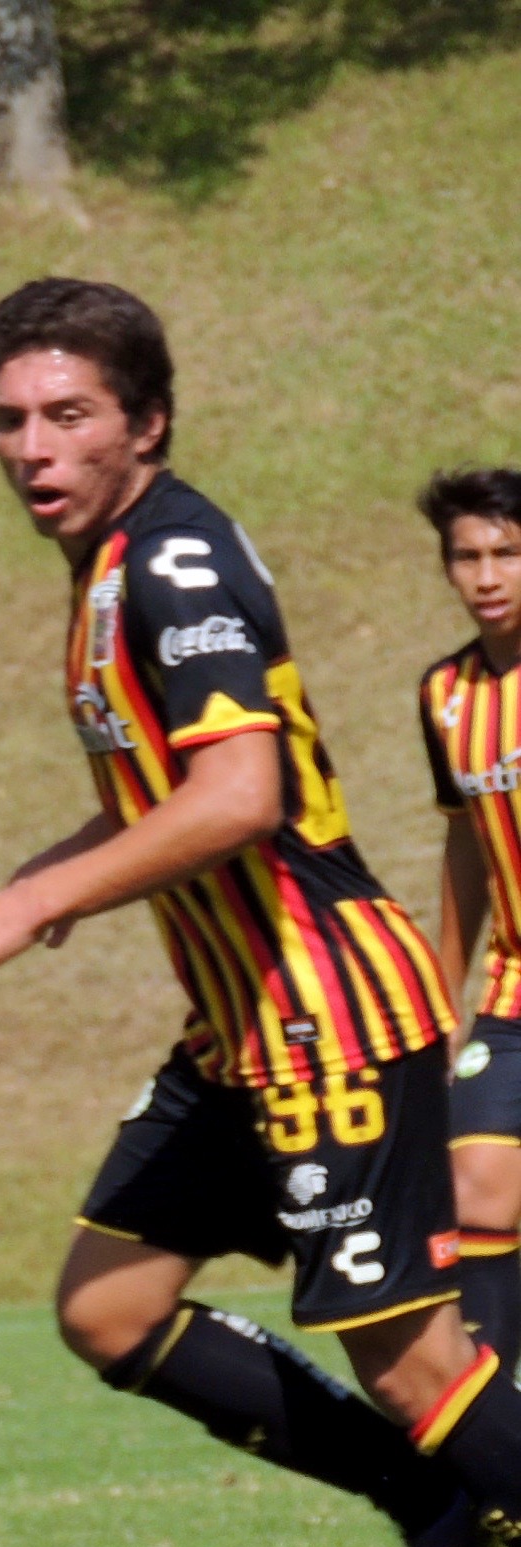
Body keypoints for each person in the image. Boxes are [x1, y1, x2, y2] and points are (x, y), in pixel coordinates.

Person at [0, 278, 502, 1547]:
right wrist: (51, 868)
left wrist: (33, 900)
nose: (30, 448)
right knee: (108, 1307)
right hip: (239, 1030)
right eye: (8, 420)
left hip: (328, 1016)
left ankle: (443, 1476)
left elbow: (237, 798)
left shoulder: (170, 559)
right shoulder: (109, 562)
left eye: (67, 416)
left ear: (147, 422)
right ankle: (423, 1498)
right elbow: (169, 792)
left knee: (419, 1371)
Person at [418, 469, 521, 1385]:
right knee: (472, 1190)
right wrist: (441, 1001)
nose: (487, 574)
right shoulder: (446, 694)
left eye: (507, 553)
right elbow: (466, 851)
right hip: (510, 994)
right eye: (468, 556)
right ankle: (489, 1469)